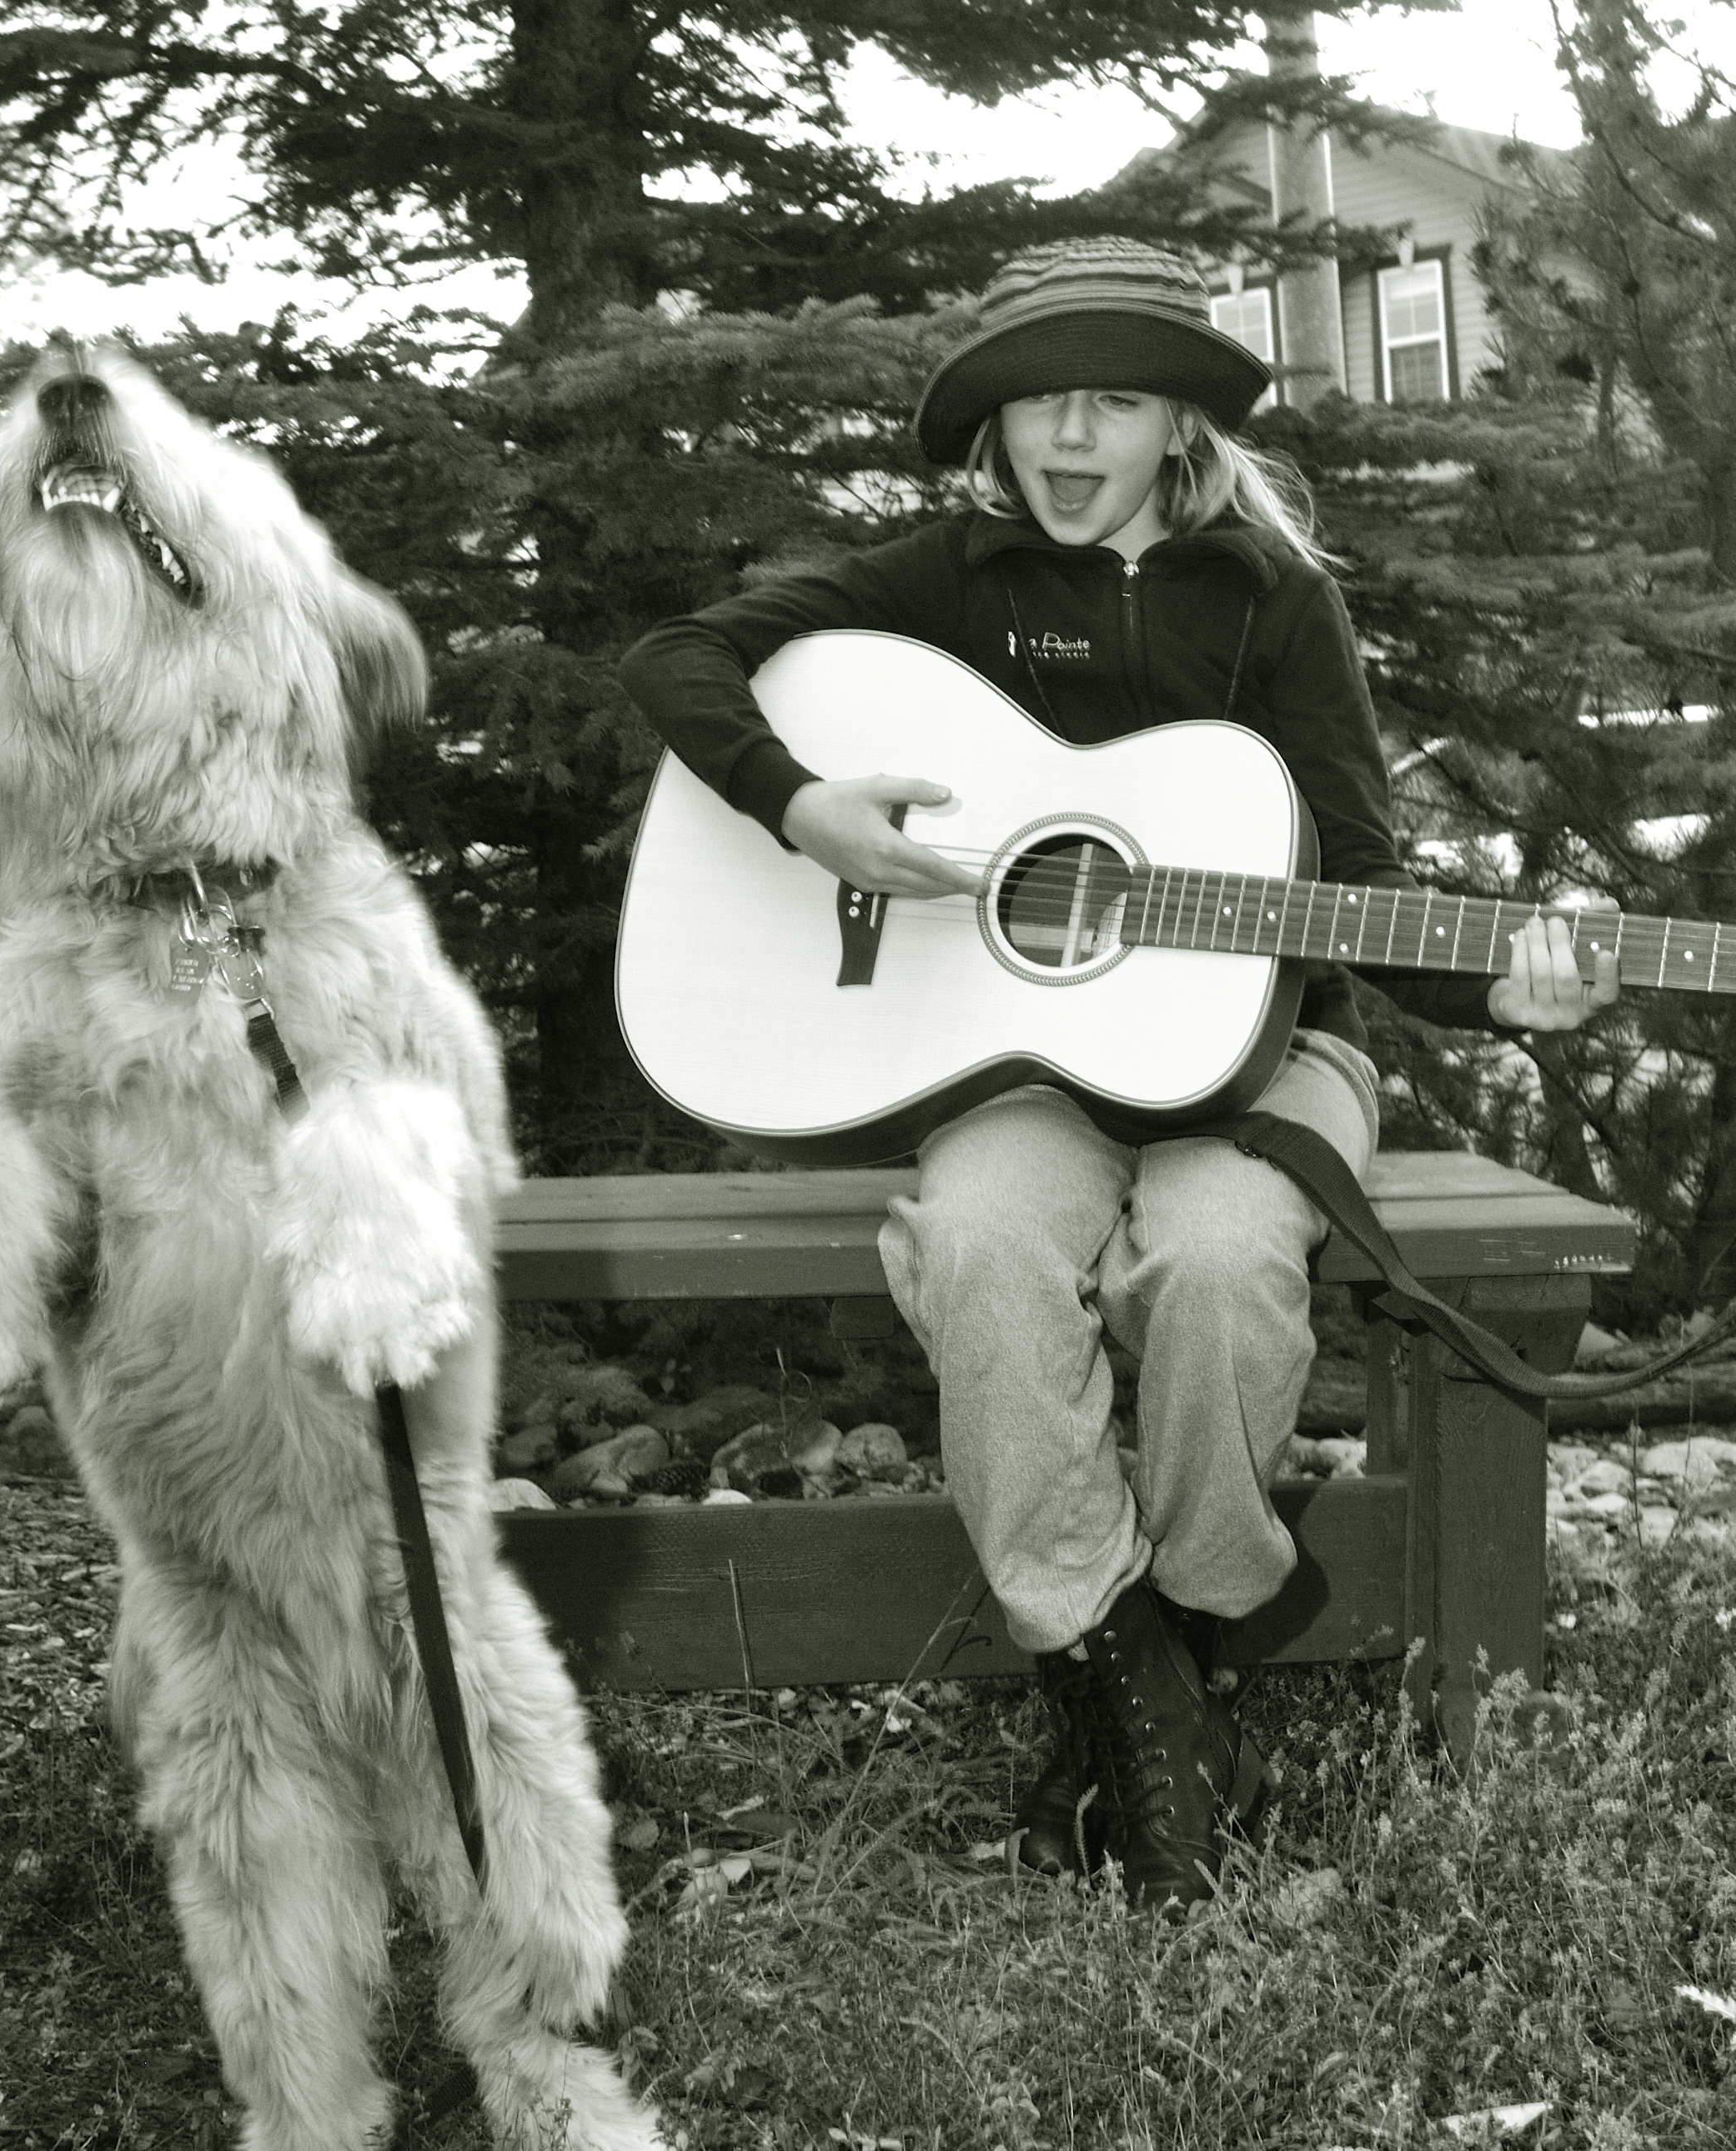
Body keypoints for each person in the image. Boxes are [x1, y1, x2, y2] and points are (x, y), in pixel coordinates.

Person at [616, 237, 1618, 1913]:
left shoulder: (1273, 602)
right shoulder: (943, 577)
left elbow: (1356, 881)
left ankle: (1209, 1618)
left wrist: (1514, 995)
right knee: (989, 1248)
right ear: (991, 428)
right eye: (1035, 408)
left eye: (1114, 403)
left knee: (1220, 1264)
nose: (1070, 442)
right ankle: (1110, 1670)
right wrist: (799, 804)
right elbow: (676, 661)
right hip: (1027, 1068)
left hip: (1264, 1056)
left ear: (1176, 427)